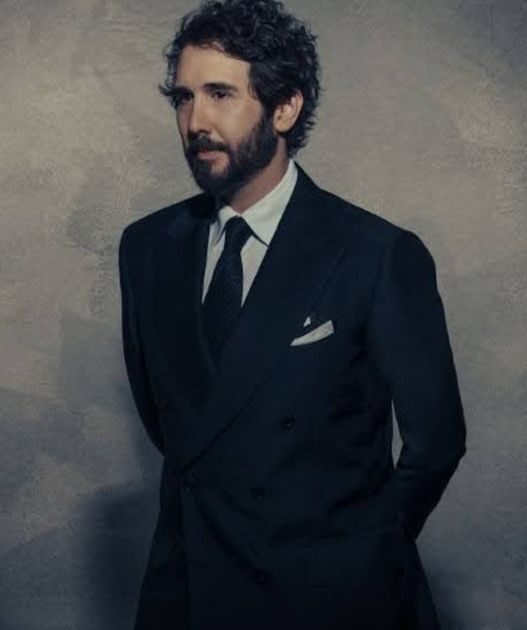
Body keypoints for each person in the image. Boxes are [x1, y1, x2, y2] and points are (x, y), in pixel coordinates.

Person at [118, 1, 467, 628]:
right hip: (189, 594)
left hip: (331, 604)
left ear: (285, 107)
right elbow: (175, 423)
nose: (196, 121)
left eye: (220, 94)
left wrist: (356, 559)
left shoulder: (376, 254)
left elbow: (436, 442)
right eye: (184, 97)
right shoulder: (147, 248)